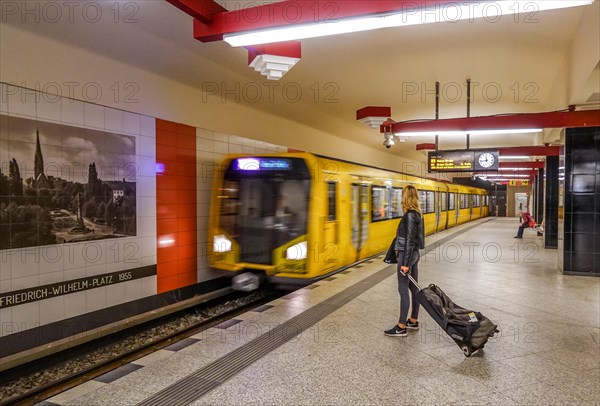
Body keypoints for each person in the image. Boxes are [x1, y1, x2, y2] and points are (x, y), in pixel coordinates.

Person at [385, 185, 425, 337]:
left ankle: (401, 326)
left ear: (406, 198)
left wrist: (405, 264)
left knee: (403, 290)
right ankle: (413, 320)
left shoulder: (409, 216)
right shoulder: (417, 214)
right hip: (414, 253)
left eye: (402, 196)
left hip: (407, 254)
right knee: (414, 289)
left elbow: (408, 241)